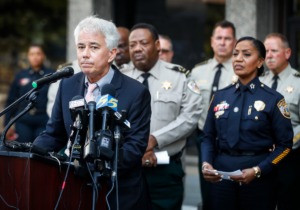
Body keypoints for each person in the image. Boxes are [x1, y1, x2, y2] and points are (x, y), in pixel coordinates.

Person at [33, 16, 152, 210]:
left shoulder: (136, 92)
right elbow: (54, 135)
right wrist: (29, 152)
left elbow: (134, 149)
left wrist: (94, 162)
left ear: (112, 53)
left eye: (94, 47)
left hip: (119, 194)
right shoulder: (68, 84)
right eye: (81, 47)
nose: (85, 54)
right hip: (75, 189)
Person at [201, 36, 293, 210]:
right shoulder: (221, 96)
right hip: (221, 177)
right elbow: (208, 136)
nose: (238, 58)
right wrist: (207, 163)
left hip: (259, 178)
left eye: (246, 54)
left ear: (259, 62)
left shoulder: (273, 99)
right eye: (235, 54)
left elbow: (285, 146)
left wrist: (259, 170)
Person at [123, 23, 202, 210]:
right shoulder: (119, 78)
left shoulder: (179, 77)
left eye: (143, 43)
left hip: (164, 169)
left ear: (158, 45)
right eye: (132, 45)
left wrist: (153, 140)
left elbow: (190, 117)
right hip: (127, 168)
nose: (137, 49)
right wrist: (135, 148)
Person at [189, 20, 237, 210]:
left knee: (230, 186)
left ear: (234, 42)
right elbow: (191, 105)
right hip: (204, 136)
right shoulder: (198, 71)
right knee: (207, 185)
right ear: (211, 41)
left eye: (227, 38)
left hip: (232, 139)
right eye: (219, 38)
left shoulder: (241, 70)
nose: (223, 42)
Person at [259, 32, 300, 210]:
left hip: (290, 158)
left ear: (287, 53)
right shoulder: (258, 83)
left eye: (274, 50)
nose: (269, 55)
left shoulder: (298, 83)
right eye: (266, 51)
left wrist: (286, 145)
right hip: (261, 157)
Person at [3, 43, 54, 142]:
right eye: (32, 54)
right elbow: (11, 100)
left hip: (44, 120)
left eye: (38, 53)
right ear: (28, 56)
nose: (35, 57)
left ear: (43, 55)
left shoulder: (51, 75)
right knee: (22, 150)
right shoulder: (20, 75)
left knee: (40, 150)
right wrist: (7, 125)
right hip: (23, 120)